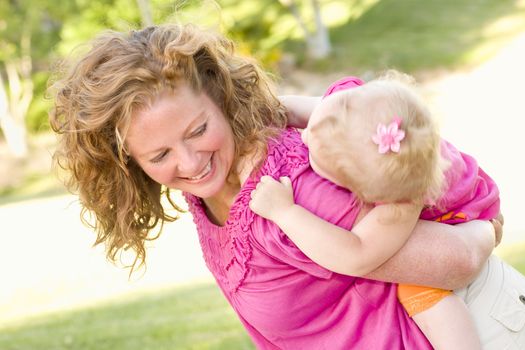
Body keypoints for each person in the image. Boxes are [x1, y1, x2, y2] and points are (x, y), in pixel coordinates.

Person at [48, 24, 524, 349]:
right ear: (127, 161)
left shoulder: (289, 186)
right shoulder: (216, 190)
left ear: (219, 99)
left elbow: (455, 260)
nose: (190, 162)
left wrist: (488, 225)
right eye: (160, 155)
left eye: (197, 131)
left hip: (485, 330)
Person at [248, 72, 500, 350]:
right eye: (311, 131)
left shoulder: (401, 201)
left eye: (316, 159)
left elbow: (355, 254)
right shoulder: (353, 112)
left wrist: (285, 212)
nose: (305, 138)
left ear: (366, 194)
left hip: (465, 216)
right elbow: (289, 109)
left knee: (421, 288)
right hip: (465, 185)